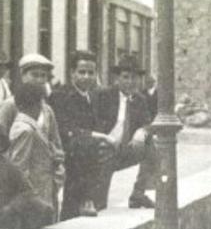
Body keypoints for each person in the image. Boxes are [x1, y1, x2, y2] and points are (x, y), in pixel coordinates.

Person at [0, 53, 65, 212]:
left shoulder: (47, 110)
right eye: (34, 75)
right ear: (23, 76)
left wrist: (57, 159)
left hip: (46, 184)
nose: (39, 80)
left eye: (43, 76)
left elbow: (56, 143)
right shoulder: (11, 106)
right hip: (21, 186)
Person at [50, 51, 110, 219]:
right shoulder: (61, 95)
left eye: (91, 73)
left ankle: (93, 200)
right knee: (85, 149)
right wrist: (96, 136)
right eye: (82, 72)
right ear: (72, 73)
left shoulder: (94, 96)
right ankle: (85, 200)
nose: (87, 77)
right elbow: (65, 129)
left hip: (85, 148)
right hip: (67, 148)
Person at [95, 55, 156, 209]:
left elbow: (148, 123)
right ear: (117, 78)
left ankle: (138, 193)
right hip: (103, 149)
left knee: (152, 146)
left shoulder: (140, 100)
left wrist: (142, 131)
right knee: (99, 200)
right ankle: (98, 203)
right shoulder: (104, 96)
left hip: (125, 150)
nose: (130, 82)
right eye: (125, 77)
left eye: (134, 78)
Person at [8, 82, 59, 219]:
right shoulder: (25, 130)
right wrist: (31, 199)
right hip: (34, 196)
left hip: (43, 190)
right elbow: (19, 168)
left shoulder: (30, 126)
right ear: (34, 105)